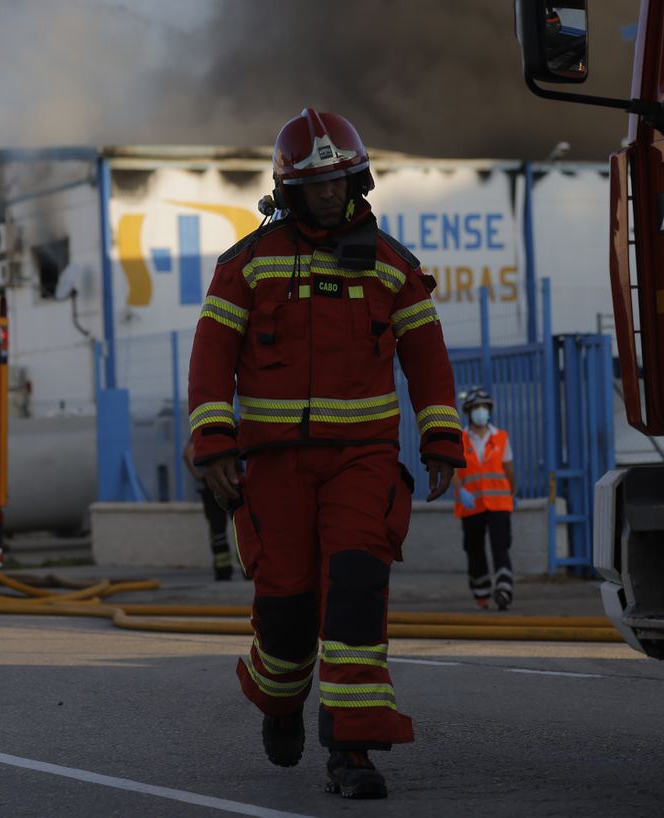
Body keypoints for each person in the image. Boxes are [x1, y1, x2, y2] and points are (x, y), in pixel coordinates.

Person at [187, 107, 462, 800]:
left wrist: (441, 437)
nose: (331, 193)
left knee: (357, 592)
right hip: (275, 466)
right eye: (317, 184)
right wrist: (214, 443)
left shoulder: (391, 265)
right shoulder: (247, 265)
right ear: (290, 190)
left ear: (358, 178)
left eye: (340, 179)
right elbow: (211, 358)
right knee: (285, 611)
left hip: (361, 462)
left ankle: (354, 750)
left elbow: (426, 355)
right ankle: (279, 704)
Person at [453, 388, 516, 609]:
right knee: (474, 547)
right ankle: (481, 592)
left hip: (499, 502)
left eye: (485, 408)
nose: (481, 412)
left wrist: (512, 492)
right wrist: (461, 491)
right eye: (476, 408)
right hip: (471, 502)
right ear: (469, 412)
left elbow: (508, 468)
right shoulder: (460, 438)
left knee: (500, 545)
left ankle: (504, 590)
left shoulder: (500, 437)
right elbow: (454, 470)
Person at [182, 439, 234, 581]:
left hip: (211, 483)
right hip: (234, 480)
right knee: (242, 527)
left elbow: (187, 454)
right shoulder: (234, 427)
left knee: (217, 530)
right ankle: (247, 569)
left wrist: (199, 476)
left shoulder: (204, 431)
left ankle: (223, 570)